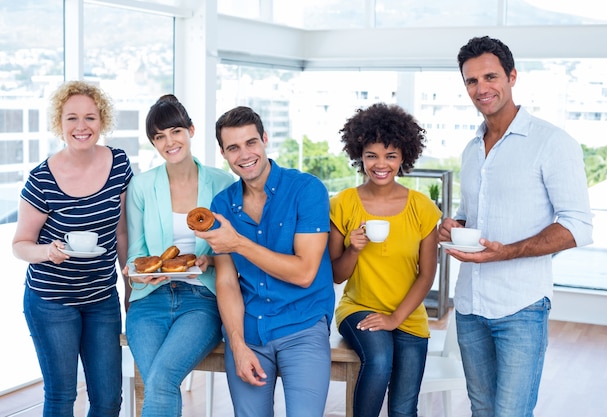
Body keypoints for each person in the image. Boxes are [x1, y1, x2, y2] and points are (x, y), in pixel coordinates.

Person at [438, 36, 594, 417]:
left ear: (512, 76)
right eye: (471, 81)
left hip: (520, 307)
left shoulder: (552, 143)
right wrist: (454, 225)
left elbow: (577, 226)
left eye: (490, 77)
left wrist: (508, 251)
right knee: (482, 409)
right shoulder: (472, 148)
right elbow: (471, 213)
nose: (481, 88)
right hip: (470, 306)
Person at [196, 106, 335, 417]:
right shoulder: (222, 205)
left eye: (251, 143)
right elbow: (228, 282)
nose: (244, 154)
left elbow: (304, 273)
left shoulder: (306, 189)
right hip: (249, 331)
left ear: (265, 140)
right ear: (223, 152)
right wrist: (237, 345)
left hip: (303, 324)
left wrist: (239, 243)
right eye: (233, 147)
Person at [12, 80, 133, 417]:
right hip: (51, 302)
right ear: (59, 123)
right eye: (72, 118)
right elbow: (20, 245)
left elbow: (122, 232)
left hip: (101, 299)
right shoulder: (42, 179)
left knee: (109, 399)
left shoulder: (119, 164)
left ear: (102, 121)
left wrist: (128, 289)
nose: (82, 127)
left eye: (90, 118)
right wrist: (46, 252)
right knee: (62, 397)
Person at [124, 94, 234, 417]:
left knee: (160, 380)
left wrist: (210, 260)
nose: (169, 142)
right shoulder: (142, 187)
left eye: (175, 131)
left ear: (191, 130)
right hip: (149, 299)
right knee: (160, 382)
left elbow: (234, 246)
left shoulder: (222, 183)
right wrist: (142, 274)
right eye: (159, 137)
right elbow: (136, 255)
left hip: (201, 299)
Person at [328, 102, 441, 417]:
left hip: (408, 315)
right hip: (359, 308)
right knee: (378, 360)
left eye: (390, 156)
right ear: (359, 156)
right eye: (371, 155)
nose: (381, 164)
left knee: (404, 410)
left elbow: (426, 276)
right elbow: (337, 275)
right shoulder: (343, 204)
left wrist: (394, 319)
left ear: (404, 156)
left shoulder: (422, 207)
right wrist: (354, 249)